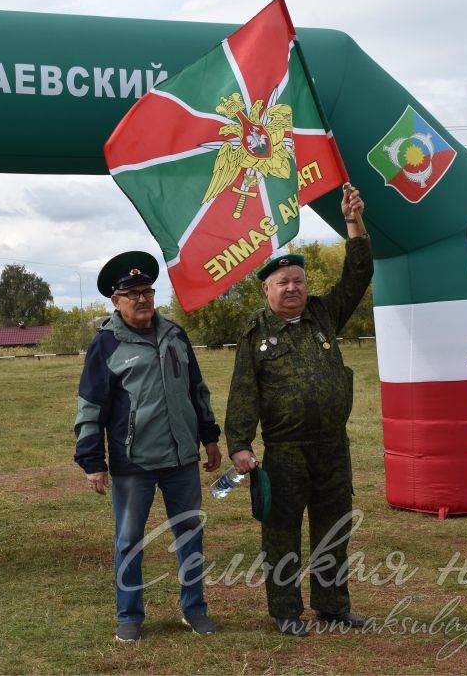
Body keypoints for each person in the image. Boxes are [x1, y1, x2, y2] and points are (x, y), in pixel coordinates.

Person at [224, 184, 374, 637]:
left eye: (299, 281)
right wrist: (239, 445)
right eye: (283, 282)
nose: (293, 288)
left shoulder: (325, 314)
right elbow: (243, 391)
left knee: (334, 528)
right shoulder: (256, 333)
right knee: (282, 532)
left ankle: (332, 605)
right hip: (285, 452)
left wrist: (353, 222)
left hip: (332, 448)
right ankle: (286, 611)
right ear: (267, 288)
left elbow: (359, 273)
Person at [74, 251, 223, 643]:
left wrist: (209, 436)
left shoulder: (176, 335)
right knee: (129, 541)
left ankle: (194, 610)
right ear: (115, 301)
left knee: (190, 532)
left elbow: (197, 389)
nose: (142, 299)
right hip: (132, 463)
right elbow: (90, 406)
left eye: (147, 291)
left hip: (181, 459)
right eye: (132, 293)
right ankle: (129, 615)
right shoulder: (105, 345)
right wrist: (92, 460)